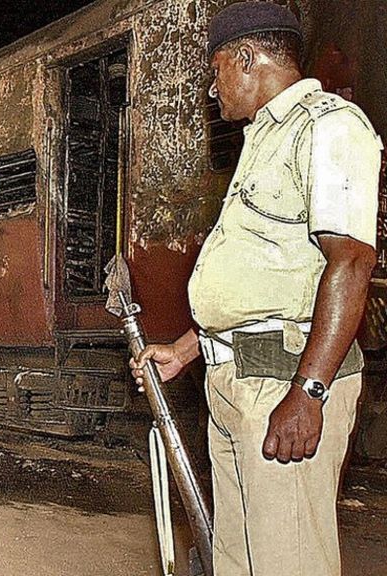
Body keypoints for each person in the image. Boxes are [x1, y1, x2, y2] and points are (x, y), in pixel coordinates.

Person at [130, 3, 382, 575]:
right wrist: (188, 349)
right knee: (238, 563)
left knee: (286, 562)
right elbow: (266, 278)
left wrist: (309, 392)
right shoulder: (263, 139)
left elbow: (350, 262)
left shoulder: (327, 126)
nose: (211, 88)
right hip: (238, 383)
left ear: (247, 58)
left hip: (281, 382)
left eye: (216, 69)